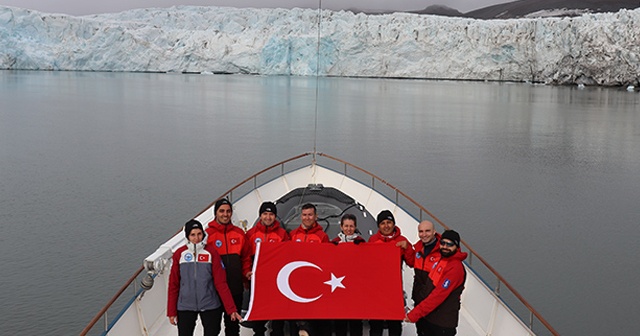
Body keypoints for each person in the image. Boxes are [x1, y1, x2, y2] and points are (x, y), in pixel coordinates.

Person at [167, 219, 242, 336]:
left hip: (210, 304)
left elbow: (221, 283)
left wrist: (231, 309)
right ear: (187, 236)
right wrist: (171, 311)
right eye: (193, 235)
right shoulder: (179, 254)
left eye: (199, 234)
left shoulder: (211, 253)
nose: (196, 238)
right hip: (186, 305)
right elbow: (173, 284)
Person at [404, 230, 468, 336]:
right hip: (429, 318)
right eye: (442, 243)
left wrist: (414, 314)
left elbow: (437, 296)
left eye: (449, 244)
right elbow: (428, 287)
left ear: (457, 247)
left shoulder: (455, 268)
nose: (445, 247)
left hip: (441, 324)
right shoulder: (441, 260)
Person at [206, 198, 252, 336]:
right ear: (216, 213)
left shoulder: (239, 234)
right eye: (221, 211)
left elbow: (245, 258)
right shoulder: (207, 235)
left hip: (235, 288)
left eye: (228, 211)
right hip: (214, 290)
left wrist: (246, 275)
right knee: (212, 328)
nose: (225, 214)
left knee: (232, 327)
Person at [245, 201, 290, 336]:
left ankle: (277, 332)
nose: (268, 217)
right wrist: (246, 272)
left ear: (275, 216)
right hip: (257, 279)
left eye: (271, 214)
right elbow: (246, 256)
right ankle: (258, 332)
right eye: (265, 214)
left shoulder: (282, 234)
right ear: (260, 215)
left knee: (277, 310)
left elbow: (287, 256)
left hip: (276, 279)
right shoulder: (251, 234)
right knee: (259, 309)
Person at [367, 210, 415, 336]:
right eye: (383, 223)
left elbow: (412, 262)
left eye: (389, 222)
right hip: (376, 290)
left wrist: (408, 248)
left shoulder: (402, 240)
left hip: (394, 290)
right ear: (379, 226)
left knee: (394, 324)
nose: (386, 226)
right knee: (375, 325)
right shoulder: (373, 240)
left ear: (393, 224)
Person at [289, 203, 330, 336]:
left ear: (316, 216)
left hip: (315, 282)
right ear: (301, 216)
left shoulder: (322, 236)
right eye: (305, 215)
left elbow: (326, 260)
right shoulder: (293, 235)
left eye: (310, 215)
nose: (307, 218)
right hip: (296, 282)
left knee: (315, 318)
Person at [331, 214, 364, 336]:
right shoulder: (334, 243)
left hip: (355, 288)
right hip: (339, 286)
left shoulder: (361, 243)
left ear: (355, 227)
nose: (348, 229)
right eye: (346, 226)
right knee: (341, 321)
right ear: (341, 226)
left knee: (356, 322)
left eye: (351, 226)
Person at [410, 221, 441, 336]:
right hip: (419, 298)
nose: (424, 234)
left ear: (434, 232)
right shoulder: (418, 249)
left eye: (427, 231)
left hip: (435, 304)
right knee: (421, 331)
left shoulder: (442, 252)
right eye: (421, 231)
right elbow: (411, 262)